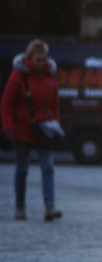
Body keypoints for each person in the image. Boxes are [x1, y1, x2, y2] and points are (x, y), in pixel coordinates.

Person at [1, 39, 63, 222]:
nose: (41, 63)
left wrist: (56, 124)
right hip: (22, 129)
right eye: (38, 59)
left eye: (44, 59)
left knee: (48, 167)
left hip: (45, 129)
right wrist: (8, 127)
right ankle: (20, 206)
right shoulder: (19, 75)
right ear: (30, 58)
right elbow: (6, 104)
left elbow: (55, 104)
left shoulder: (50, 75)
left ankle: (49, 206)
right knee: (22, 170)